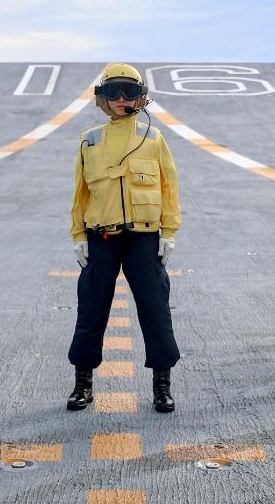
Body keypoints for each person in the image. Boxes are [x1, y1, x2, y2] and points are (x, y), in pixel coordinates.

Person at [67, 63, 182, 413]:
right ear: (102, 97)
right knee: (91, 308)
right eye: (113, 92)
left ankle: (162, 384)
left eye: (129, 92)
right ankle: (82, 383)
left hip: (144, 239)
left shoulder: (153, 137)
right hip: (100, 238)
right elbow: (80, 193)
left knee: (155, 310)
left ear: (141, 97)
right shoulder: (89, 139)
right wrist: (77, 235)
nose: (121, 99)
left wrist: (170, 231)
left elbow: (169, 186)